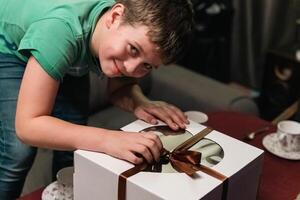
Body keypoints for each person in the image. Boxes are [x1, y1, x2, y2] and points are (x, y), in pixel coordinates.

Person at [0, 0, 193, 198]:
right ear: (115, 16)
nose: (131, 68)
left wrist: (140, 102)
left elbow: (121, 88)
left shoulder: (123, 33)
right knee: (18, 153)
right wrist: (107, 139)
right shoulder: (59, 29)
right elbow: (28, 126)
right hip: (9, 46)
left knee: (73, 147)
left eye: (147, 65)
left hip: (65, 51)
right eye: (133, 49)